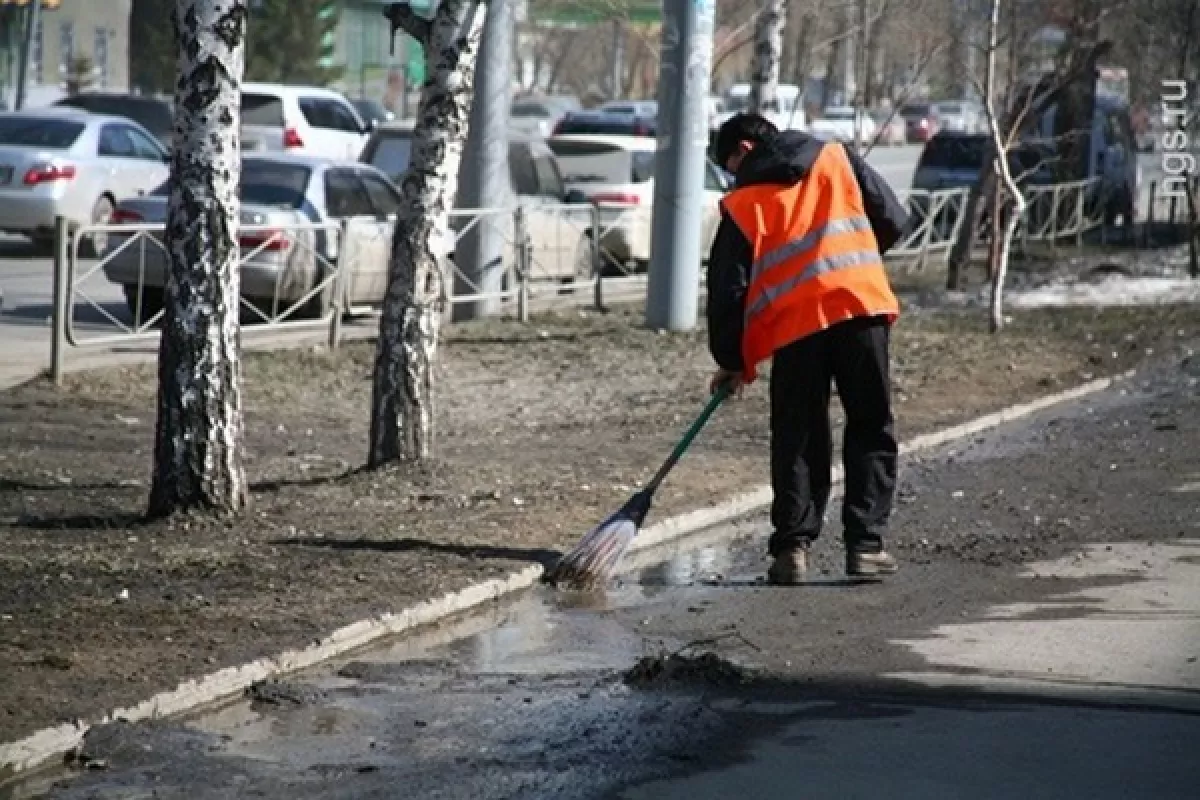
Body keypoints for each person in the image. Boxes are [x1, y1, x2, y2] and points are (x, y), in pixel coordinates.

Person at [706, 113, 909, 584]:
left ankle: (792, 550)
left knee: (798, 432)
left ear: (746, 149)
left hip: (795, 326)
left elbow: (727, 291)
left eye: (729, 163)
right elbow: (895, 221)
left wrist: (733, 361)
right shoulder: (836, 157)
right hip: (860, 307)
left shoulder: (742, 203)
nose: (732, 174)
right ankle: (866, 547)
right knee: (870, 423)